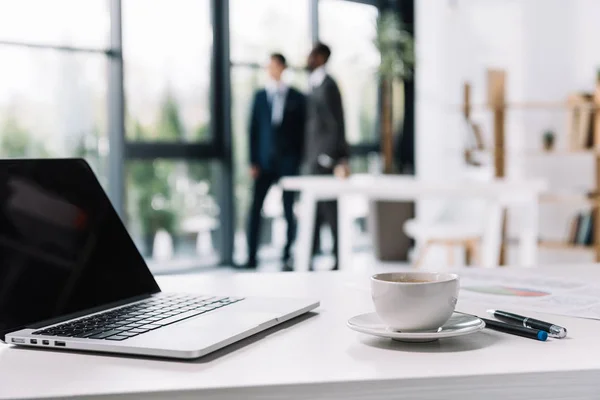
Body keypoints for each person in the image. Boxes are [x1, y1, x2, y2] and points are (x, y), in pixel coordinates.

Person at [245, 53, 306, 270]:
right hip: (263, 163)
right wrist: (252, 161)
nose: (270, 70)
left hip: (288, 163)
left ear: (282, 67)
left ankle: (287, 256)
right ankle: (251, 257)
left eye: (273, 65)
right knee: (255, 210)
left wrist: (298, 160)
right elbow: (252, 130)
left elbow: (302, 133)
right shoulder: (260, 96)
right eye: (268, 66)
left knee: (289, 210)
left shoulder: (297, 97)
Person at [304, 42, 349, 271]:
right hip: (312, 158)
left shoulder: (329, 85)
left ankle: (339, 259)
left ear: (321, 57)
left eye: (312, 53)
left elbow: (336, 122)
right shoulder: (313, 84)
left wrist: (330, 156)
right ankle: (309, 257)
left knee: (331, 211)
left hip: (325, 158)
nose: (308, 57)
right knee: (314, 211)